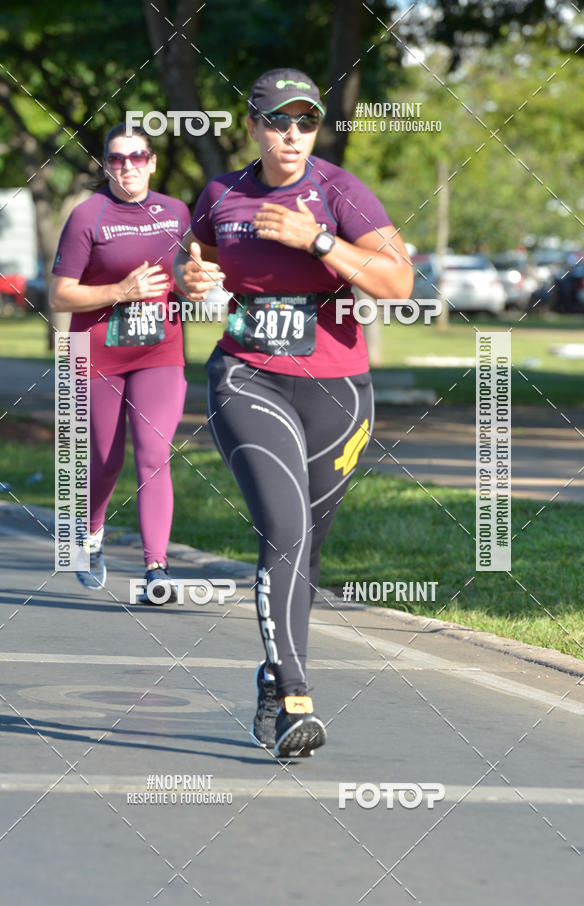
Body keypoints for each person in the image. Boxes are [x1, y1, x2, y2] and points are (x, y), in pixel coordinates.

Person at [174, 68, 413, 758]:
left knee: (306, 544)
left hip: (338, 390)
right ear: (252, 125)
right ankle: (297, 701)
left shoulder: (340, 192)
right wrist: (196, 280)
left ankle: (273, 675)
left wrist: (319, 242)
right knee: (283, 530)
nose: (292, 135)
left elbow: (398, 282)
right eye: (278, 121)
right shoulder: (222, 192)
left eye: (305, 122)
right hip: (248, 378)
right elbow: (199, 263)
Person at [50, 123, 190, 603]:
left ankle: (157, 568)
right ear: (105, 165)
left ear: (151, 160)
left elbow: (186, 275)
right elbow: (60, 293)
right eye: (116, 158)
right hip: (93, 351)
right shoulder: (87, 216)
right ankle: (89, 534)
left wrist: (201, 283)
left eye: (136, 157)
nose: (127, 166)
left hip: (160, 351)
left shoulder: (176, 212)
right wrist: (120, 292)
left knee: (154, 455)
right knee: (104, 461)